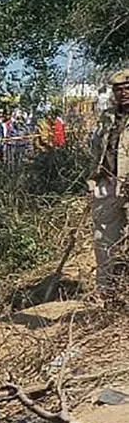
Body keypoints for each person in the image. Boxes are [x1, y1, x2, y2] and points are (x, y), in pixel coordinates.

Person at [88, 69, 129, 293]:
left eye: (126, 88)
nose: (123, 92)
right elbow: (97, 149)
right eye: (118, 89)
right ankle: (107, 293)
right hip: (108, 183)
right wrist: (91, 178)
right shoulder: (108, 117)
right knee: (103, 240)